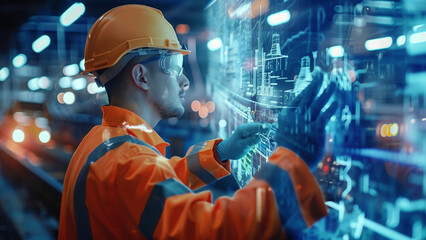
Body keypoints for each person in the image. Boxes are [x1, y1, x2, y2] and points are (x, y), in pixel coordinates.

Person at [58, 4, 338, 240]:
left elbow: (154, 185)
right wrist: (292, 158)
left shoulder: (102, 142)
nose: (184, 81)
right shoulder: (127, 163)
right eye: (174, 67)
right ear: (141, 76)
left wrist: (221, 153)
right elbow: (223, 230)